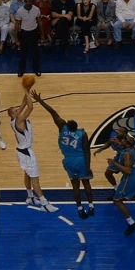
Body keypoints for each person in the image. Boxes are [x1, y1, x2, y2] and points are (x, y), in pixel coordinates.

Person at [32, 91, 94, 219]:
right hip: (81, 160)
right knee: (86, 183)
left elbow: (52, 112)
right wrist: (88, 165)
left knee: (75, 185)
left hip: (69, 161)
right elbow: (87, 151)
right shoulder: (82, 134)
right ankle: (91, 205)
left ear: (68, 125)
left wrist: (40, 100)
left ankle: (80, 208)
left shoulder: (62, 128)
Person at [8, 87, 57, 211]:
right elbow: (30, 107)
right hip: (26, 152)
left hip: (21, 151)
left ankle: (30, 197)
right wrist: (25, 92)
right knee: (35, 177)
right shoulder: (19, 120)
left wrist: (27, 89)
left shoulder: (16, 119)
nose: (19, 109)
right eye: (16, 110)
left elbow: (24, 103)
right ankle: (44, 204)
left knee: (27, 174)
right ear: (14, 115)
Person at [15, 0, 42, 77]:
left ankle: (36, 69)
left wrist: (42, 35)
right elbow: (17, 25)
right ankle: (21, 70)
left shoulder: (36, 10)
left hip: (33, 32)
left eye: (29, 1)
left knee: (35, 53)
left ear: (32, 2)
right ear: (24, 2)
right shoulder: (19, 11)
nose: (28, 3)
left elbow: (40, 22)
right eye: (26, 1)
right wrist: (16, 38)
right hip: (24, 33)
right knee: (23, 53)